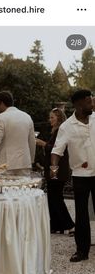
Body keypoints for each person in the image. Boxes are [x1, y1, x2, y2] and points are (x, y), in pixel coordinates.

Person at [51, 89, 95, 262]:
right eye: (89, 101)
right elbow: (57, 151)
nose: (92, 104)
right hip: (80, 175)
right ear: (78, 104)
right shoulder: (66, 127)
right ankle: (82, 251)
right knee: (82, 214)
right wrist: (53, 170)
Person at [36, 108, 74, 235]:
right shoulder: (56, 131)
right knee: (52, 197)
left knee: (56, 197)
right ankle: (57, 225)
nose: (50, 120)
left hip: (57, 169)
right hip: (55, 169)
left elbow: (57, 149)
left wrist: (43, 144)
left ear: (59, 118)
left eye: (52, 117)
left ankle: (69, 225)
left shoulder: (60, 131)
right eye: (50, 117)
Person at [0, 91, 36, 175]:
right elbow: (32, 142)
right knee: (24, 187)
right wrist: (31, 160)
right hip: (24, 163)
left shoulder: (1, 117)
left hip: (6, 164)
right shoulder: (27, 116)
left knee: (5, 188)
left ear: (2, 103)